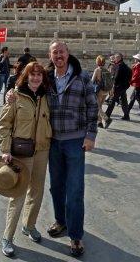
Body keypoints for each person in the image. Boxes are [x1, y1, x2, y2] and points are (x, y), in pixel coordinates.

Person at [46, 41, 98, 257]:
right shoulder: (47, 78)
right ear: (50, 56)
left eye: (62, 51)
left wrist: (91, 135)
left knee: (75, 190)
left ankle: (75, 235)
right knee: (56, 186)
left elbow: (93, 105)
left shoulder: (82, 76)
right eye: (55, 52)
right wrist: (12, 94)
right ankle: (61, 221)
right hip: (53, 141)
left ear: (68, 54)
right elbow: (26, 85)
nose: (59, 55)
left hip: (75, 141)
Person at [0, 62, 52, 257]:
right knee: (18, 194)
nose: (36, 78)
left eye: (39, 75)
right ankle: (7, 237)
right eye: (32, 75)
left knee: (37, 191)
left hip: (42, 150)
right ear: (26, 76)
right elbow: (4, 125)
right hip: (21, 152)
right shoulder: (15, 96)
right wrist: (5, 149)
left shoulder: (47, 95)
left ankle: (29, 225)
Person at [104, 53, 132, 128]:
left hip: (118, 87)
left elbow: (116, 78)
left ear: (119, 58)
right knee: (124, 101)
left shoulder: (119, 66)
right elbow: (130, 74)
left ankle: (107, 117)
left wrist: (113, 86)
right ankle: (126, 115)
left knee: (112, 101)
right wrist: (127, 84)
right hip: (123, 87)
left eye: (116, 58)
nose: (114, 59)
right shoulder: (125, 66)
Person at [91, 55, 112, 128]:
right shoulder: (107, 70)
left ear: (97, 62)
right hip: (106, 91)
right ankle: (99, 122)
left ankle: (106, 119)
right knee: (100, 106)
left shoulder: (97, 70)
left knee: (97, 107)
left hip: (99, 91)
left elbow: (92, 81)